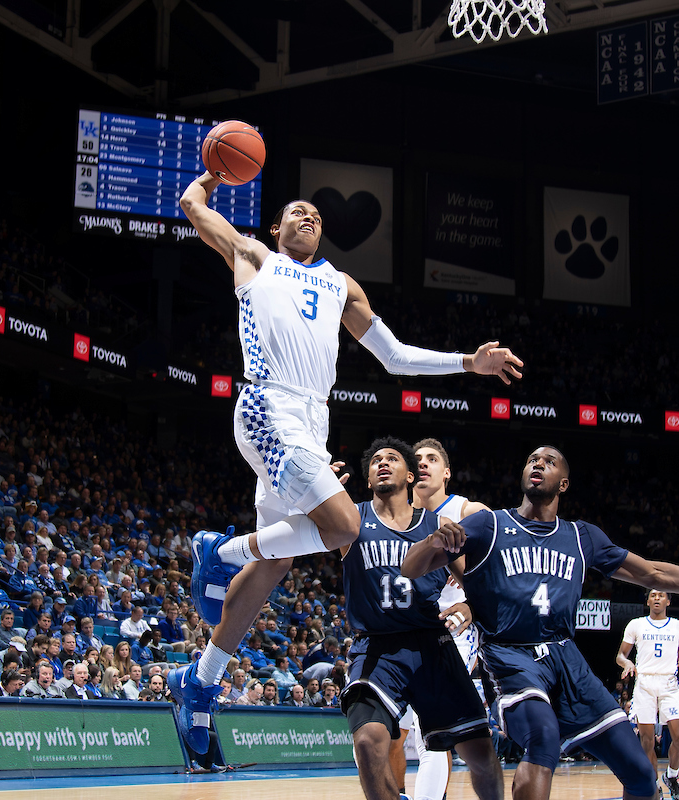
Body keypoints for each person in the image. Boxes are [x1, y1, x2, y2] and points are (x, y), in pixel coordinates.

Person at [169, 172, 523, 754]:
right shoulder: (253, 256)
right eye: (294, 212)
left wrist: (469, 363)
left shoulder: (341, 285)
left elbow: (396, 356)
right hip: (267, 403)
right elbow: (190, 203)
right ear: (277, 226)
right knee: (343, 529)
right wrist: (215, 168)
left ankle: (200, 683)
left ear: (322, 230)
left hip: (313, 419)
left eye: (314, 214)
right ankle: (217, 551)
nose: (306, 217)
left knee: (277, 563)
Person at [402, 446, 679, 800]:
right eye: (532, 459)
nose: (538, 464)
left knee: (641, 774)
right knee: (543, 738)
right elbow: (411, 567)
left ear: (563, 484)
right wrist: (435, 542)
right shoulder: (490, 525)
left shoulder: (582, 537)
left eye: (549, 462)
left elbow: (655, 574)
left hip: (567, 659)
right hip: (509, 656)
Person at [334, 438, 501, 800]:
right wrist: (316, 490)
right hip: (376, 646)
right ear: (367, 478)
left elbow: (477, 582)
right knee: (367, 741)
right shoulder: (351, 517)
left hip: (432, 644)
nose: (382, 463)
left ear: (409, 475)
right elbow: (302, 527)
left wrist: (471, 608)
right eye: (375, 459)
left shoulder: (437, 523)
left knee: (481, 754)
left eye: (391, 458)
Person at [408, 437, 493, 800]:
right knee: (381, 734)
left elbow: (500, 574)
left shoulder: (468, 510)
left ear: (446, 472)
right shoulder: (392, 514)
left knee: (432, 738)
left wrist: (473, 607)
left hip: (452, 627)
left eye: (432, 459)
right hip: (402, 628)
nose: (423, 463)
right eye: (417, 460)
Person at [616, 590, 679, 800]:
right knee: (647, 740)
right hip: (645, 683)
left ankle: (672, 777)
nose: (657, 598)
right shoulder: (636, 624)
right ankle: (654, 783)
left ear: (668, 600)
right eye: (653, 595)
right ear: (648, 600)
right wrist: (627, 662)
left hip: (669, 682)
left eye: (661, 595)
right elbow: (621, 655)